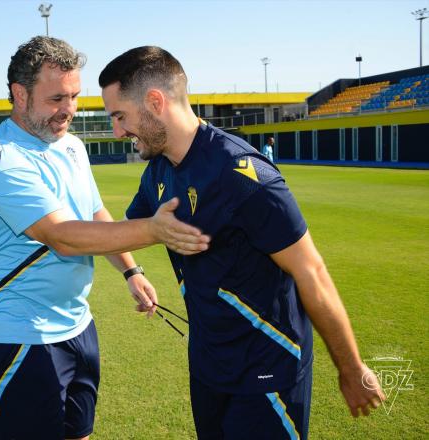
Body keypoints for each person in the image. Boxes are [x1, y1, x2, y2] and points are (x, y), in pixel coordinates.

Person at [99, 46, 385, 440]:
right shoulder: (158, 173)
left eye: (120, 116)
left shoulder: (241, 173)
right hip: (208, 368)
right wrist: (132, 271)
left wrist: (351, 369)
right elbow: (125, 231)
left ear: (154, 102)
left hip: (266, 373)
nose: (117, 131)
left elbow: (310, 271)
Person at [0, 37, 209, 440]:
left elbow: (95, 214)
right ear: (19, 94)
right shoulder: (1, 157)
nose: (69, 110)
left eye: (75, 97)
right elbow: (62, 236)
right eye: (56, 98)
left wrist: (132, 270)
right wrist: (154, 229)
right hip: (24, 335)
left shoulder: (73, 147)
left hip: (79, 326)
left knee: (79, 433)